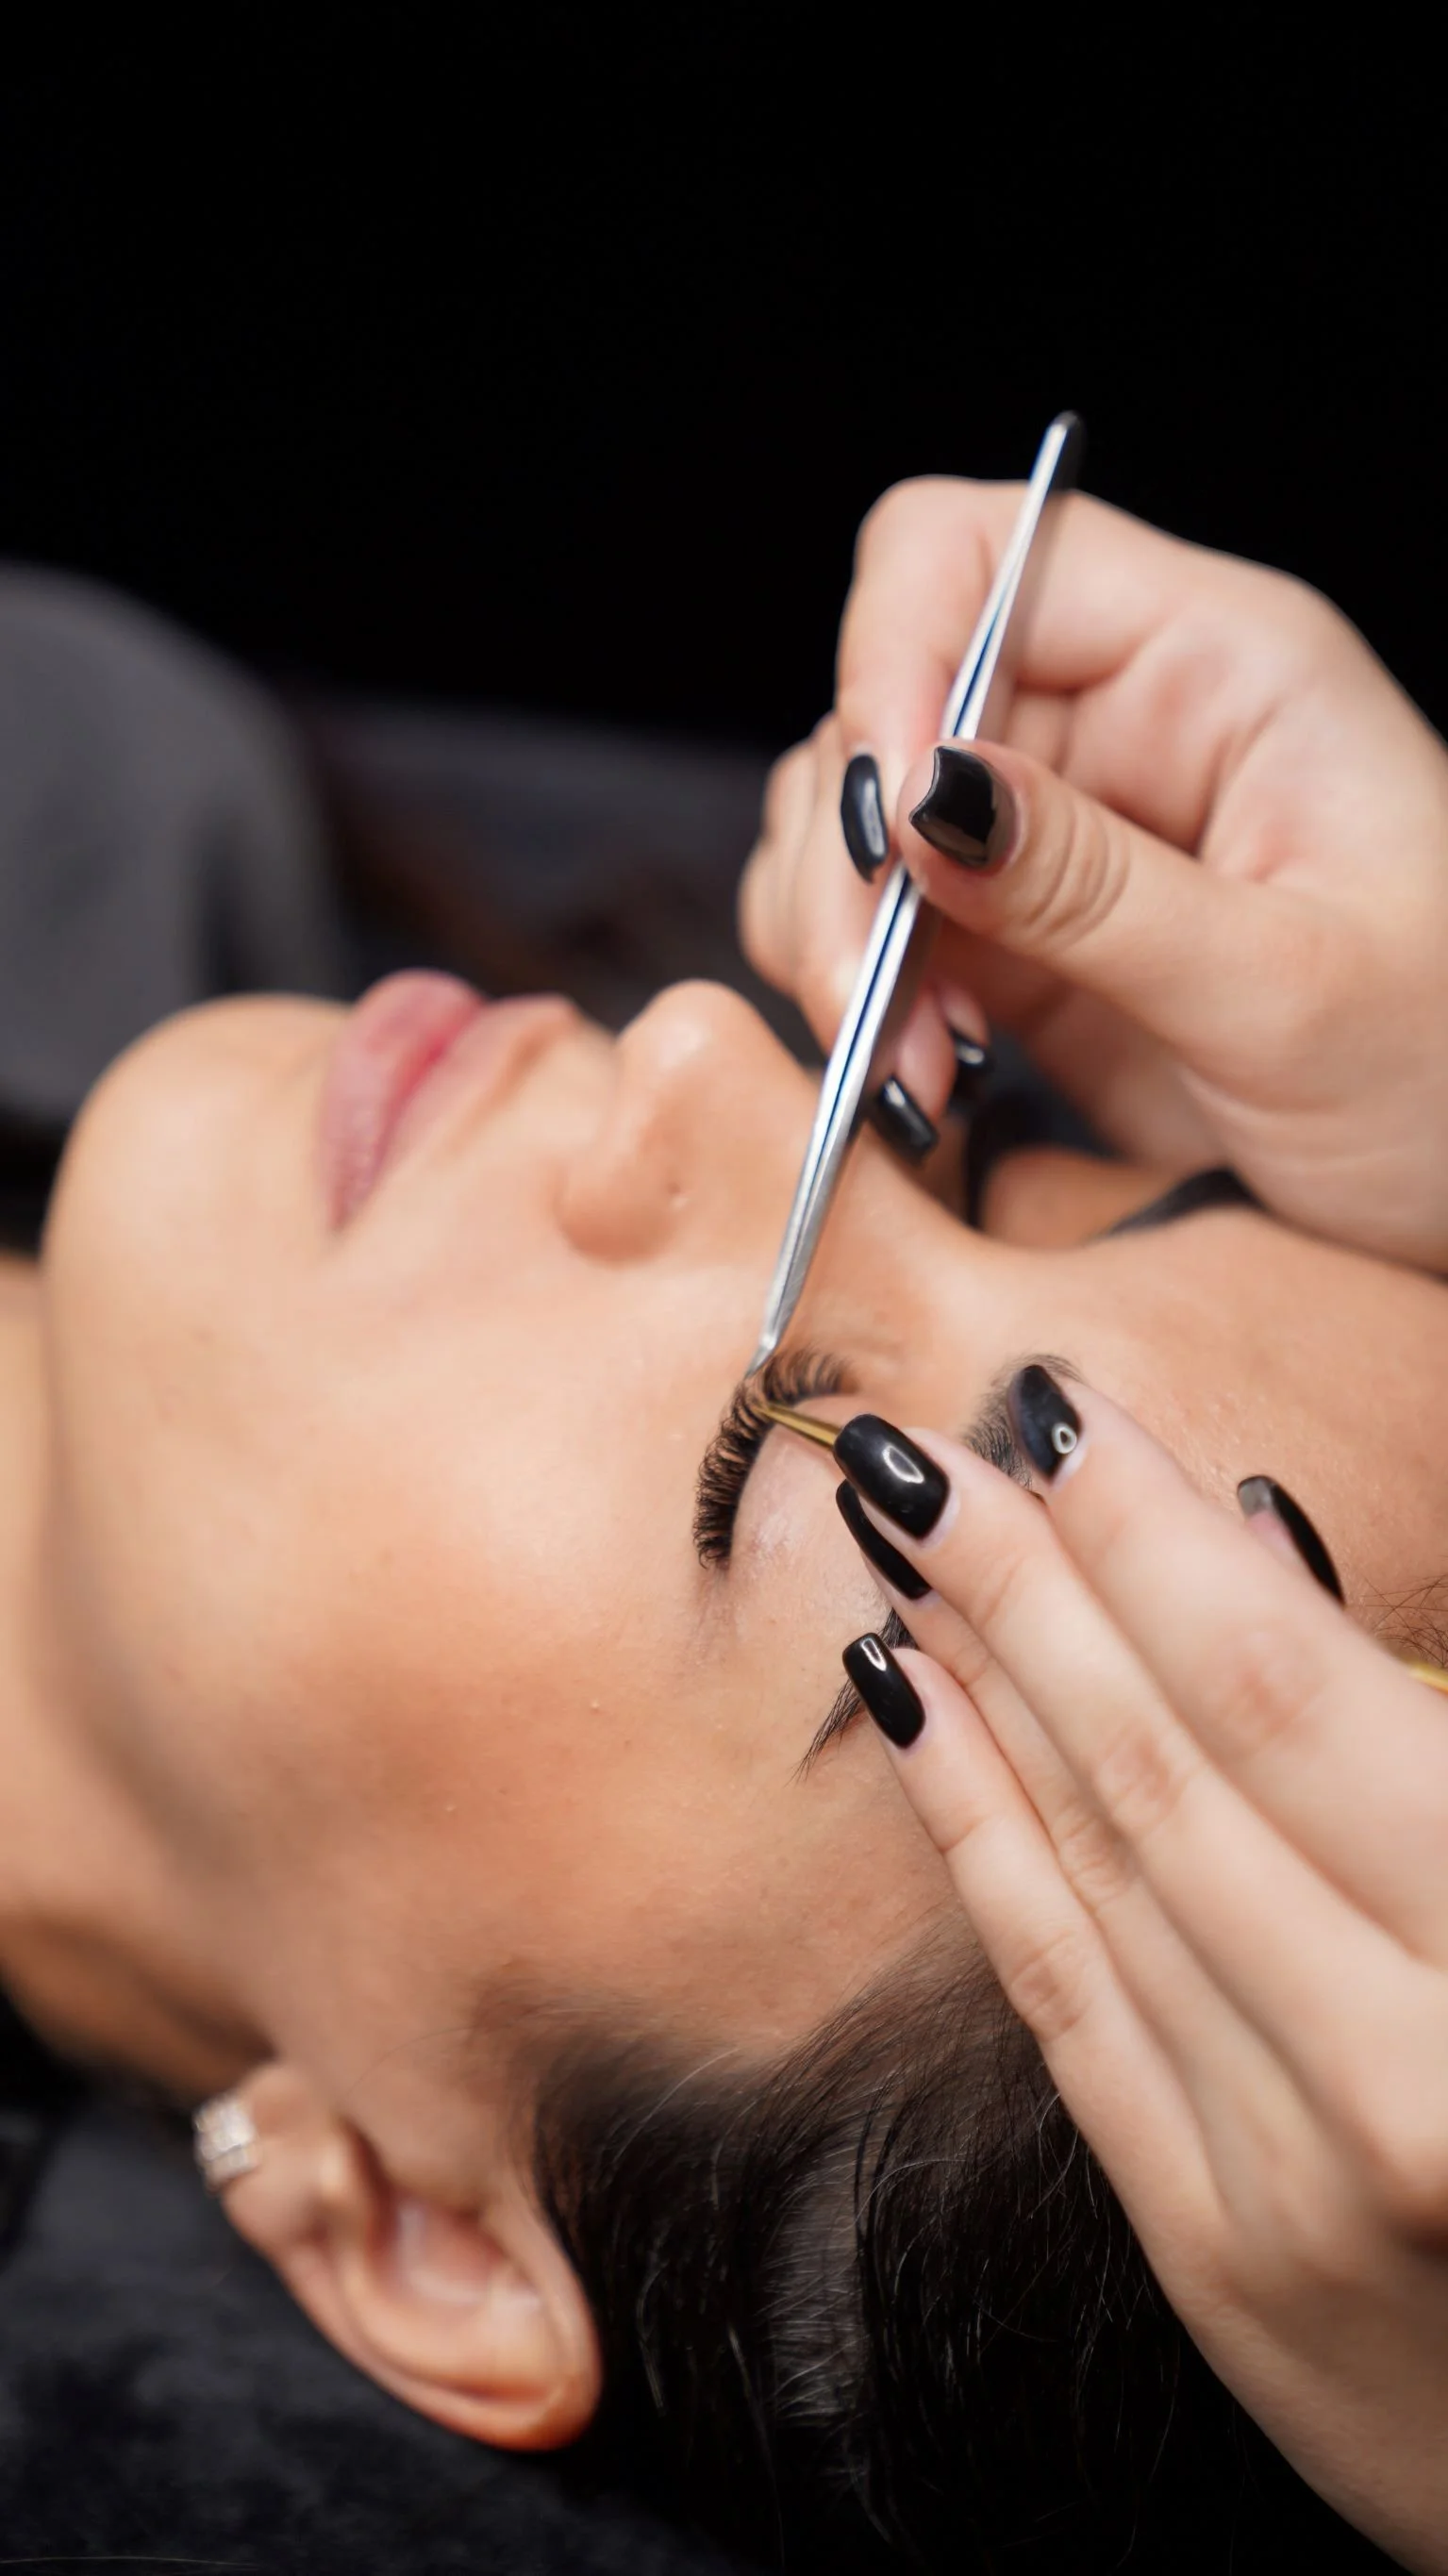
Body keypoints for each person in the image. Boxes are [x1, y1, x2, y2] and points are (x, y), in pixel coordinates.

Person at [0, 531, 1442, 2569]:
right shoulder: (107, 793)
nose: (696, 1049)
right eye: (979, 1162)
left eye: (764, 1452)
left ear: (423, 2241)